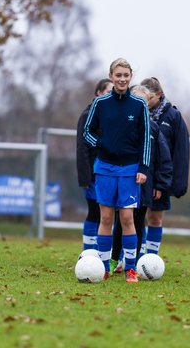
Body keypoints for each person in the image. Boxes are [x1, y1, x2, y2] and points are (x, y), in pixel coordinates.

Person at [83, 58, 151, 283]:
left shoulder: (139, 104)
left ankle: (131, 268)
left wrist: (143, 168)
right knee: (105, 217)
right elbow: (87, 132)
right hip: (104, 167)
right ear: (111, 77)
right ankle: (103, 268)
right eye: (118, 75)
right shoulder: (100, 103)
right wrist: (102, 145)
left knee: (127, 218)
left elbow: (145, 140)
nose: (122, 79)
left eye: (126, 75)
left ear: (130, 77)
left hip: (130, 170)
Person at [110, 85, 173, 273]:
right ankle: (114, 259)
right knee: (119, 222)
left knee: (137, 221)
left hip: (144, 186)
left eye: (144, 103)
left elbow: (164, 159)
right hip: (123, 181)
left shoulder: (153, 128)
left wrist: (160, 184)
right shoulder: (121, 126)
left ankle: (134, 262)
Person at [140, 77, 190, 255]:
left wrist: (168, 184)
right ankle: (132, 255)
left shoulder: (173, 116)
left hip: (160, 178)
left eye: (150, 97)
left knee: (154, 217)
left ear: (160, 95)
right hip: (140, 174)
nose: (146, 101)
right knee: (133, 217)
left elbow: (180, 153)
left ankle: (151, 257)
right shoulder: (138, 112)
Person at [76, 78, 113, 250]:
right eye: (107, 91)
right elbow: (82, 148)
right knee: (95, 212)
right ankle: (88, 251)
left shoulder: (111, 115)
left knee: (108, 214)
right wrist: (86, 177)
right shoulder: (88, 115)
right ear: (98, 93)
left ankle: (105, 250)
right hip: (94, 174)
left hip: (109, 172)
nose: (110, 95)